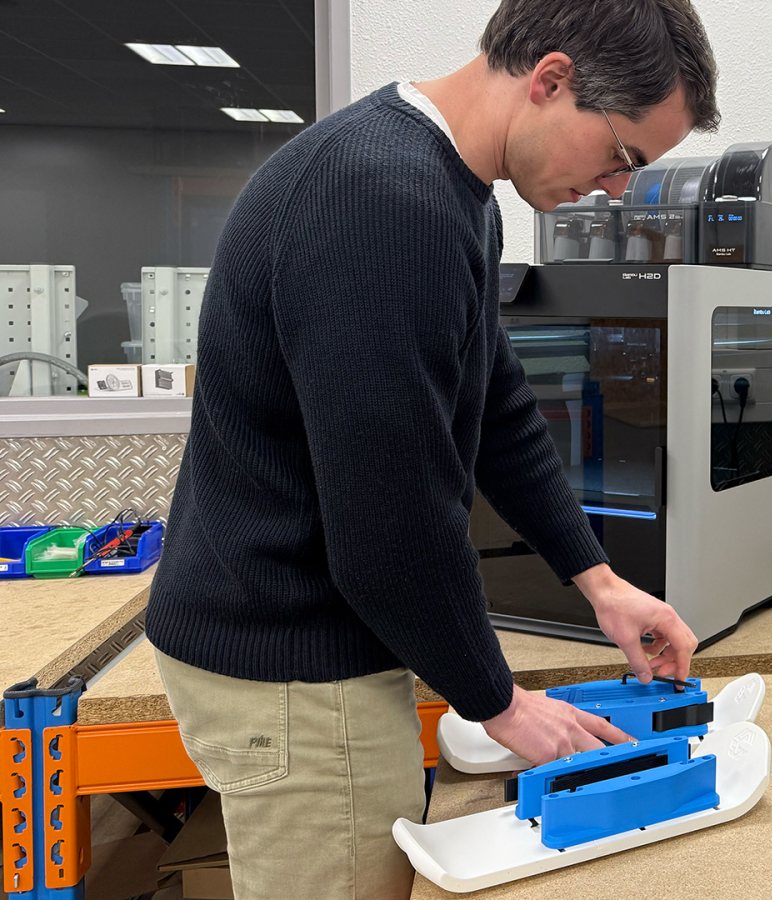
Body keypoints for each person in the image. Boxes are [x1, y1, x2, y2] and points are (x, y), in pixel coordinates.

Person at [144, 2, 720, 896]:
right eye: (623, 156)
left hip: (309, 637)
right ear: (552, 80)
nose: (617, 188)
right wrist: (500, 703)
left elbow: (496, 413)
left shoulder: (453, 193)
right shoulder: (381, 199)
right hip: (293, 664)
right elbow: (388, 528)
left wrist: (599, 583)